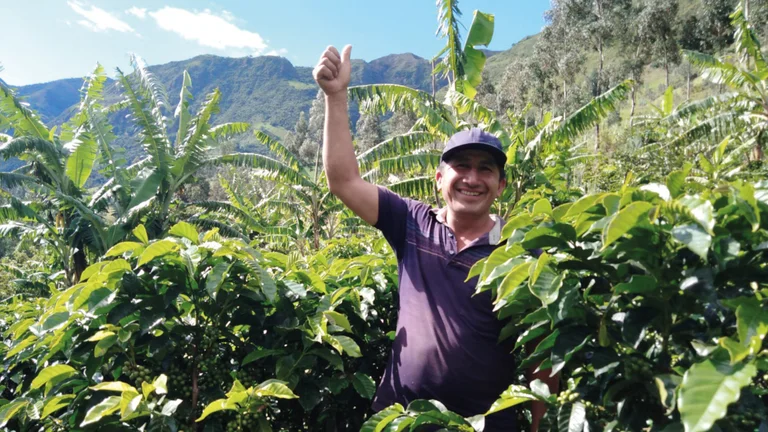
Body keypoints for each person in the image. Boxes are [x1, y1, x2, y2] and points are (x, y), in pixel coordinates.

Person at [313, 45, 555, 432]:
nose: (472, 178)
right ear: (439, 178)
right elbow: (344, 181)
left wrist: (541, 424)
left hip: (485, 426)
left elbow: (540, 349)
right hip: (400, 420)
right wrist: (336, 97)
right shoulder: (410, 222)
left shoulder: (522, 251)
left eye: (486, 169)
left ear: (501, 186)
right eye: (461, 166)